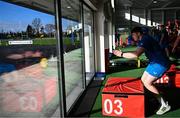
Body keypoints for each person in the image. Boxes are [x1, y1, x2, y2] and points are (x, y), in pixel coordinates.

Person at [113, 27, 171, 115]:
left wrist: (121, 54)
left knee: (147, 83)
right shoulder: (143, 39)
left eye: (133, 34)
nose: (132, 36)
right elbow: (136, 50)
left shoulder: (145, 39)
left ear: (138, 33)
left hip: (160, 63)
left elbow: (136, 54)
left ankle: (164, 104)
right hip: (154, 62)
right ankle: (157, 97)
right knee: (143, 80)